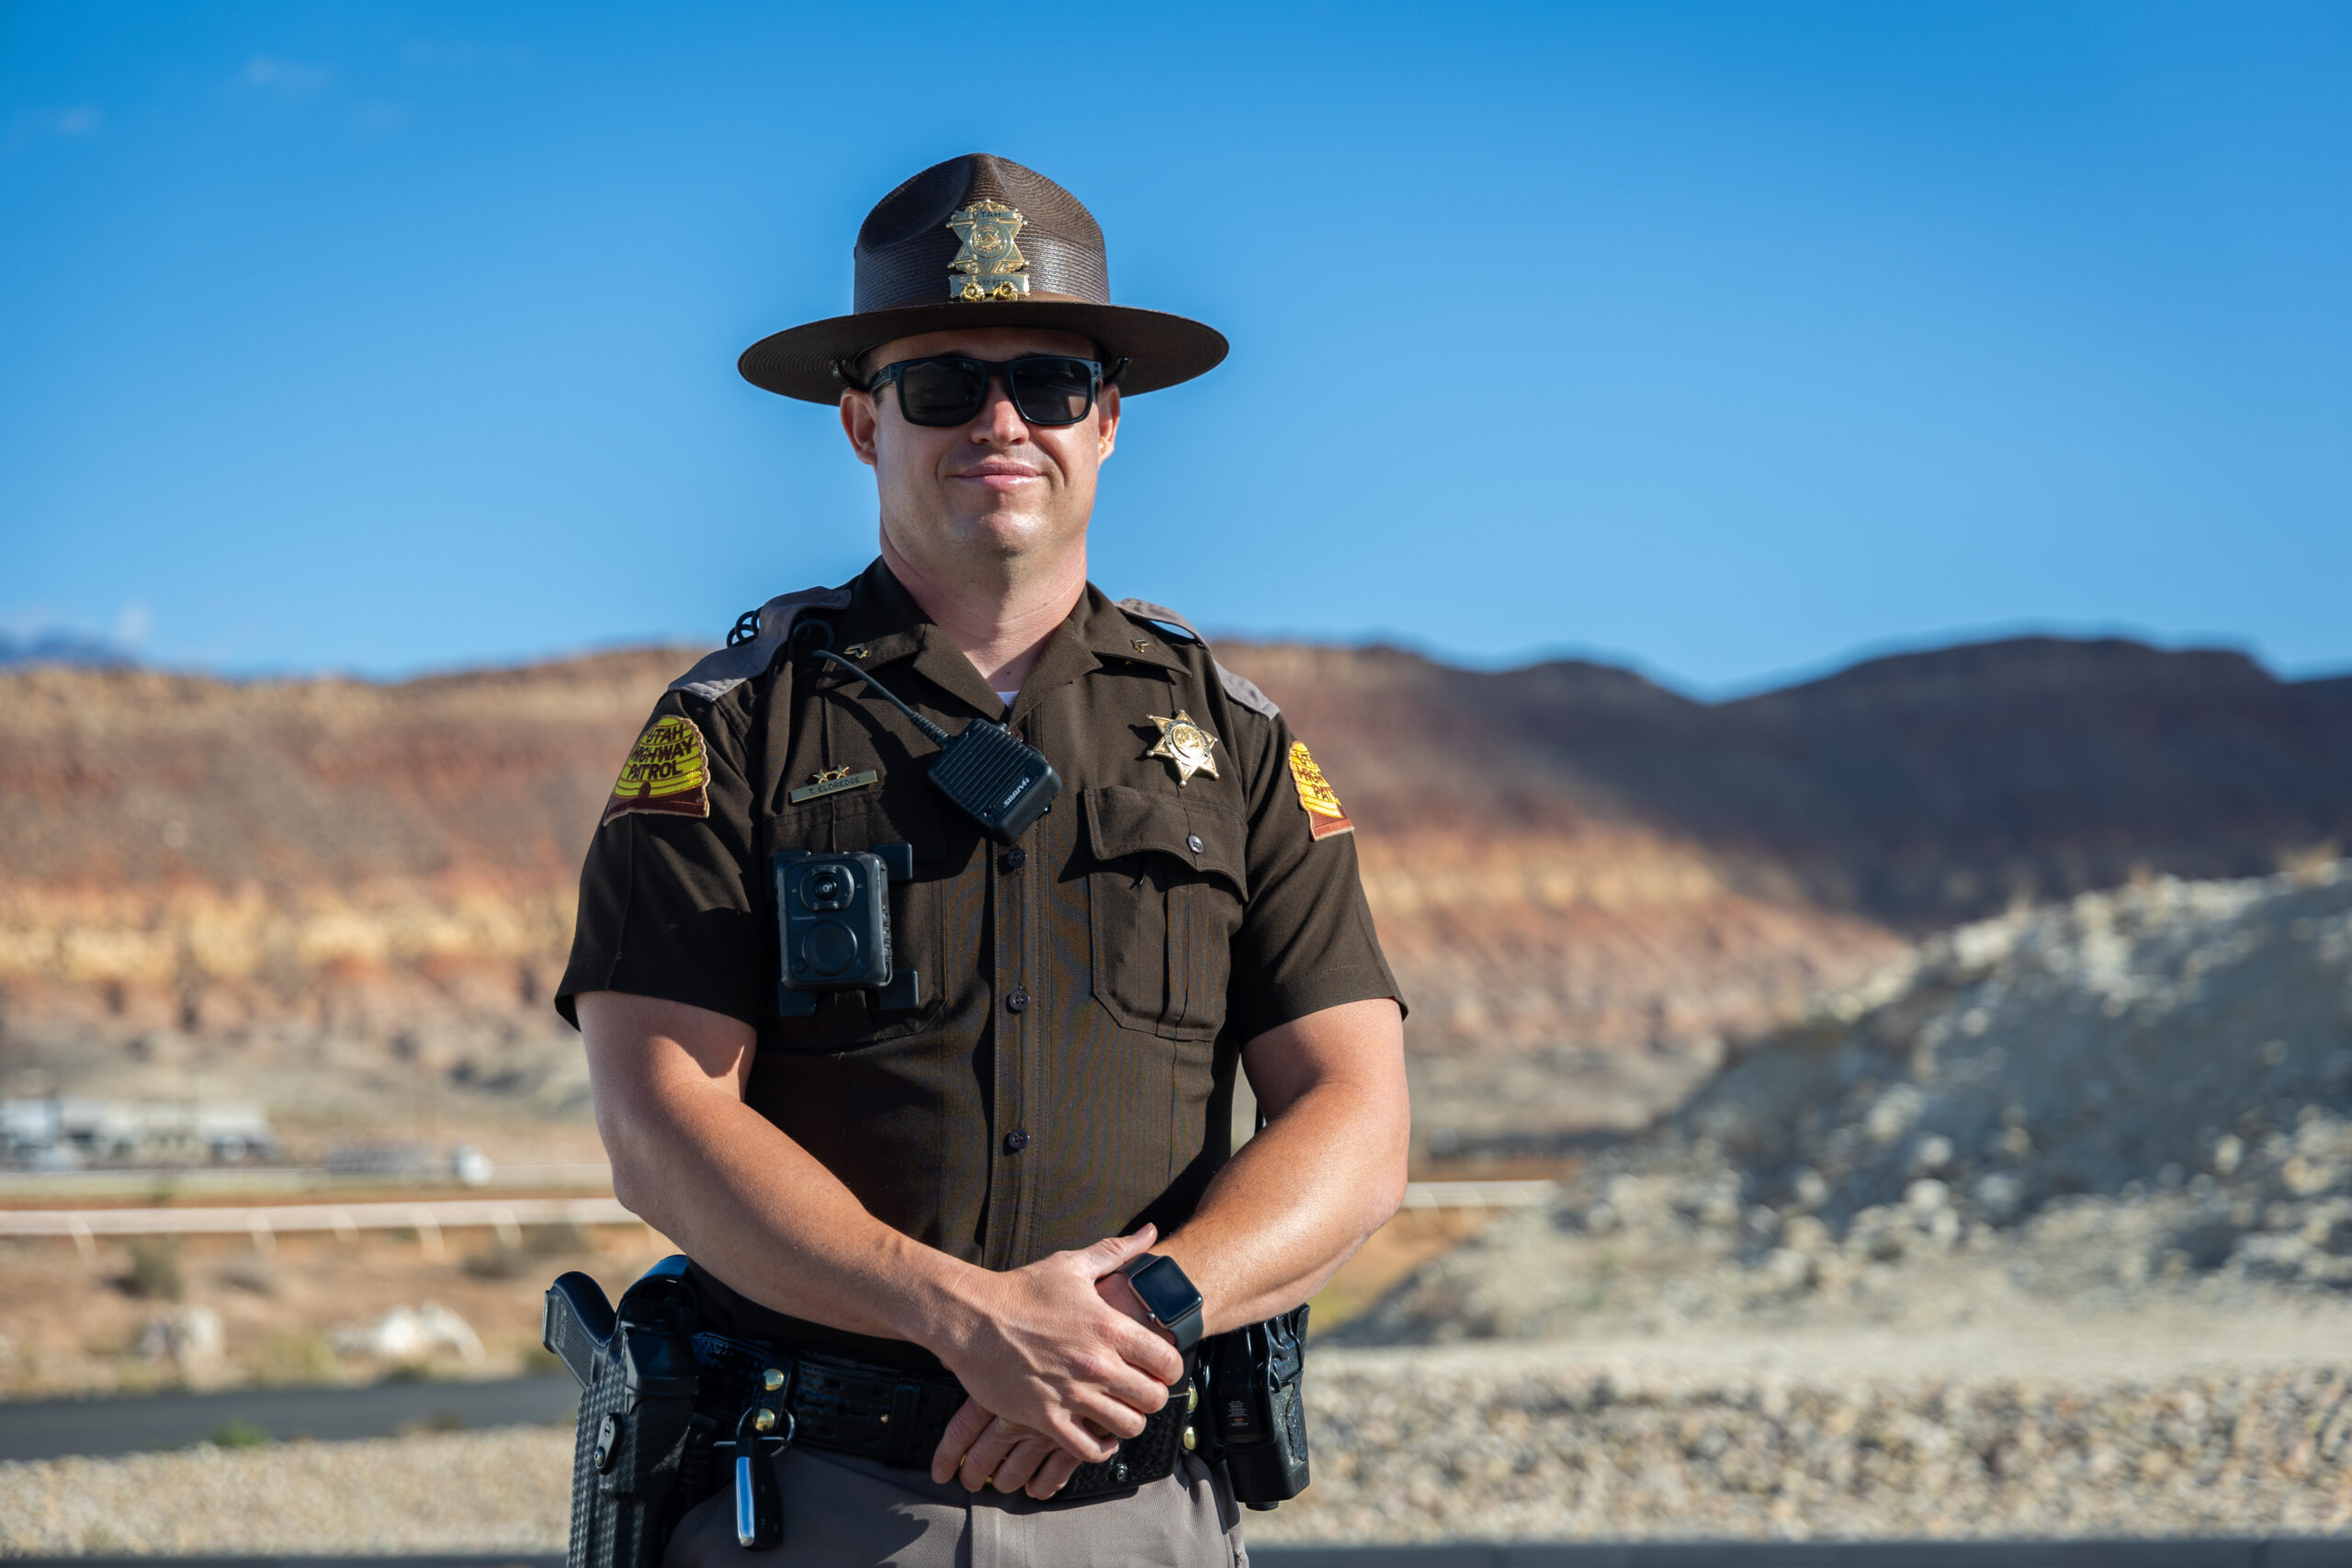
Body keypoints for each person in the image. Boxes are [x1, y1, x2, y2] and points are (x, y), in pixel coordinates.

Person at [558, 153, 1409, 1568]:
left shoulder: (1228, 738)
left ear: (1110, 417)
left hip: (1144, 1507)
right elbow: (662, 1124)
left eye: (1050, 383)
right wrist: (961, 1316)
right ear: (859, 422)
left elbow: (1357, 1122)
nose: (1000, 422)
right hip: (824, 1505)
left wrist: (1140, 1317)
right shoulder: (736, 729)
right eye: (942, 388)